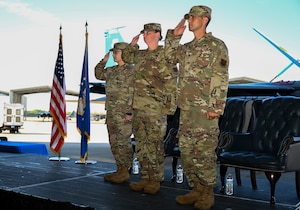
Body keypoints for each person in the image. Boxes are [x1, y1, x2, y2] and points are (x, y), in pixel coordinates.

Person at [164, 5, 229, 210]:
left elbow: (220, 76)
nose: (190, 20)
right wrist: (173, 38)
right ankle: (196, 188)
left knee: (204, 151)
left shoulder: (216, 45)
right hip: (186, 107)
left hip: (204, 109)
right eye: (189, 17)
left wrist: (215, 106)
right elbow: (167, 59)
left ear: (205, 20)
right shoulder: (186, 48)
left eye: (194, 17)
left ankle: (208, 191)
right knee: (186, 149)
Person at [124, 23, 177, 194]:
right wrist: (132, 45)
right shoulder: (140, 55)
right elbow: (126, 57)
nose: (145, 35)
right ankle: (145, 177)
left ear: (157, 34)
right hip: (138, 107)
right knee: (141, 145)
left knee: (154, 146)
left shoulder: (164, 54)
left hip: (156, 109)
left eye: (148, 32)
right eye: (144, 32)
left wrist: (168, 107)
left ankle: (155, 179)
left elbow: (171, 81)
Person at [94, 42, 134, 184]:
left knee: (124, 142)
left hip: (124, 113)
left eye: (116, 51)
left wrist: (130, 111)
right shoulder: (111, 70)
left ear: (124, 53)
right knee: (114, 142)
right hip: (111, 112)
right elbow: (98, 74)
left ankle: (125, 170)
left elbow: (134, 93)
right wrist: (103, 61)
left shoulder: (132, 70)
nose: (114, 54)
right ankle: (119, 169)